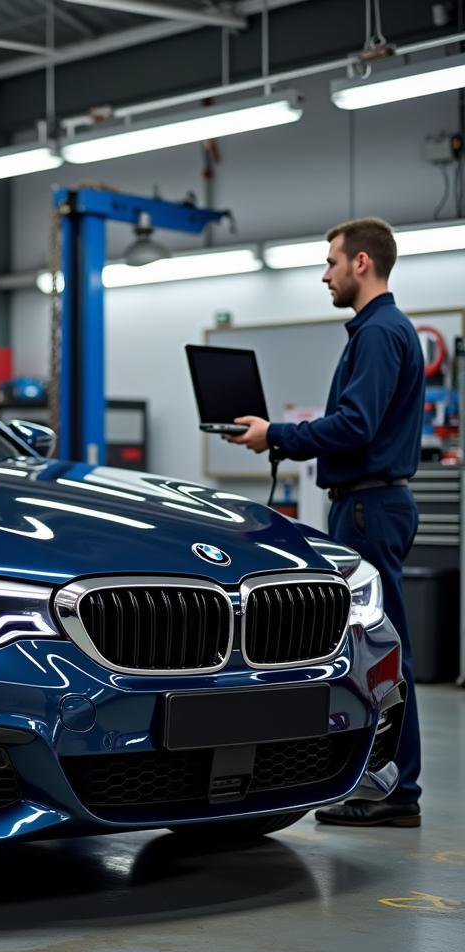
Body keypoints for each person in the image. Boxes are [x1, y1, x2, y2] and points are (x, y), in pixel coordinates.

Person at [227, 216, 425, 827]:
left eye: (332, 262)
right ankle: (381, 782)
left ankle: (394, 790)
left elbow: (356, 425)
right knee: (379, 647)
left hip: (368, 507)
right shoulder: (385, 331)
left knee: (380, 651)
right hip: (373, 502)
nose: (325, 273)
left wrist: (276, 434)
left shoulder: (378, 333)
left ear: (361, 263)